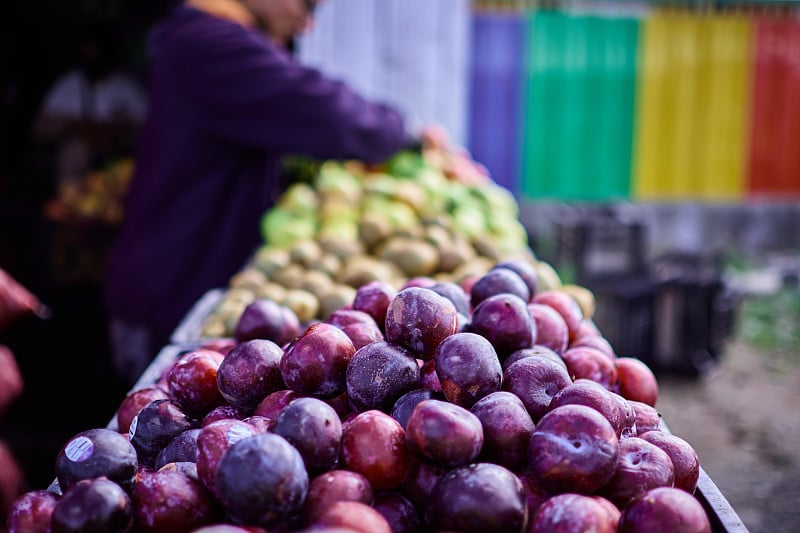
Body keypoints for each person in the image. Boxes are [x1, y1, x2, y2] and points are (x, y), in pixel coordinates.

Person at [105, 0, 418, 385]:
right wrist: (407, 133)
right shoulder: (211, 45)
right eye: (307, 5)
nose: (306, 25)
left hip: (173, 280)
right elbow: (328, 115)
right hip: (168, 292)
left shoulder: (198, 38)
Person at [33, 24, 147, 190]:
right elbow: (41, 128)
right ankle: (71, 203)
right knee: (74, 151)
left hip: (119, 153)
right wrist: (77, 127)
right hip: (79, 151)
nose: (92, 56)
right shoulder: (68, 85)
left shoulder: (127, 87)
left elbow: (148, 127)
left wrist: (115, 131)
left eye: (96, 50)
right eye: (87, 51)